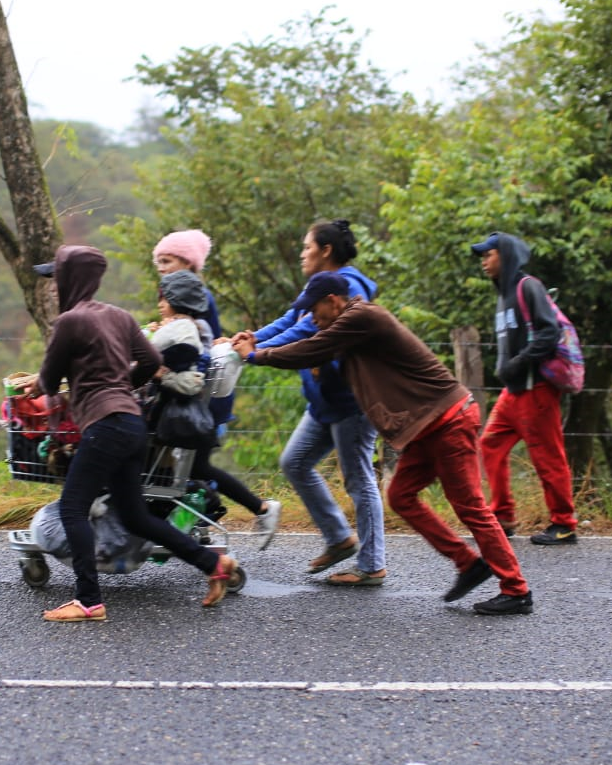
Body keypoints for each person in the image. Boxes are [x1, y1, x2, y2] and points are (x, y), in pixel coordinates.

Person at [234, 272, 534, 615]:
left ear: (334, 300)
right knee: (401, 497)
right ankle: (468, 563)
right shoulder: (347, 330)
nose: (311, 317)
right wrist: (255, 338)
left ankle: (516, 589)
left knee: (470, 508)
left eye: (315, 309)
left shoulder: (362, 317)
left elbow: (309, 348)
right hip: (425, 426)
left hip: (449, 419)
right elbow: (308, 341)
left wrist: (255, 355)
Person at [26, 245, 238, 622]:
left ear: (72, 279)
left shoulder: (70, 321)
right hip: (131, 425)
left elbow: (47, 378)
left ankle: (88, 601)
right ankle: (214, 564)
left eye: (56, 279)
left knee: (74, 508)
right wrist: (122, 384)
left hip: (104, 426)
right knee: (135, 515)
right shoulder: (119, 317)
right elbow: (152, 362)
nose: (53, 288)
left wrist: (37, 387)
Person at [231, 220, 385, 585]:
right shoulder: (317, 286)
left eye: (306, 247)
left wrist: (258, 353)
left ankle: (372, 565)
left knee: (359, 480)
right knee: (294, 462)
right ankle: (339, 539)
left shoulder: (350, 286)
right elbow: (292, 319)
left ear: (326, 250)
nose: (302, 254)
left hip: (351, 401)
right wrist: (252, 337)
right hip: (323, 402)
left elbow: (309, 331)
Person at [152, 231, 281, 542]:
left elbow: (197, 343)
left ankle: (256, 508)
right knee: (191, 468)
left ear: (187, 261)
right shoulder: (185, 296)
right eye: (158, 262)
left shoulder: (193, 298)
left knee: (194, 467)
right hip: (197, 395)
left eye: (167, 261)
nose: (161, 267)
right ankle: (204, 518)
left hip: (198, 398)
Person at [471, 232, 579, 545]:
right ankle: (502, 515)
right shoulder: (503, 295)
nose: (484, 261)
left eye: (488, 254)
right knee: (489, 445)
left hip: (537, 389)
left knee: (548, 457)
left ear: (505, 255)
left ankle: (564, 524)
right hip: (513, 393)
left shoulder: (527, 286)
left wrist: (517, 363)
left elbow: (549, 333)